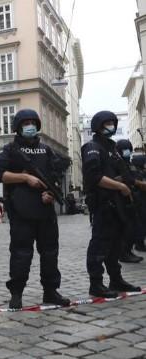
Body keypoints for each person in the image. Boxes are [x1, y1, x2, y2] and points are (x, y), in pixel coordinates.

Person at [0, 109, 70, 309]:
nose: (30, 126)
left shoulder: (46, 149)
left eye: (32, 122)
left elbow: (56, 175)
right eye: (25, 123)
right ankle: (16, 293)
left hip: (45, 210)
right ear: (18, 127)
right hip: (21, 210)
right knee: (21, 254)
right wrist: (25, 178)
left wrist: (51, 193)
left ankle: (50, 292)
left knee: (50, 252)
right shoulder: (10, 149)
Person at [81, 111, 141, 298]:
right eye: (106, 123)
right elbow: (94, 177)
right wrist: (120, 186)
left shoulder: (112, 147)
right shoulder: (92, 147)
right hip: (103, 204)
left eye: (112, 122)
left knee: (115, 245)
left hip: (117, 205)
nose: (111, 126)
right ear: (98, 126)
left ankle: (116, 279)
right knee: (99, 245)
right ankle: (96, 284)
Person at [114, 140, 144, 263]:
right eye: (124, 149)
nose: (127, 151)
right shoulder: (117, 163)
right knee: (127, 227)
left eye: (128, 148)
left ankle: (128, 250)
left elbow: (133, 177)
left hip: (133, 198)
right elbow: (123, 179)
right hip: (122, 199)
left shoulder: (129, 163)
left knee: (134, 226)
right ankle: (124, 253)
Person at [133, 154, 146, 252]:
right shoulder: (138, 173)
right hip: (140, 202)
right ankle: (139, 244)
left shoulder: (138, 172)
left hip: (140, 202)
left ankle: (139, 243)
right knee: (140, 223)